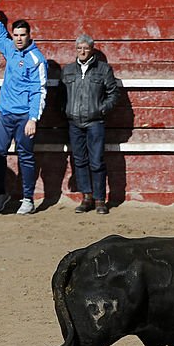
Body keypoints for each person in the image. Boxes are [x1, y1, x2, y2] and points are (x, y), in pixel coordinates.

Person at [0, 0, 47, 216]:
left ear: (29, 35)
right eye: (16, 35)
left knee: (25, 156)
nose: (19, 39)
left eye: (23, 35)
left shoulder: (36, 59)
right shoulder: (10, 49)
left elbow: (39, 90)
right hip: (5, 113)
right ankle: (1, 193)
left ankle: (28, 199)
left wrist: (33, 118)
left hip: (24, 115)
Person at [59, 34, 117, 215]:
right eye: (79, 48)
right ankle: (87, 197)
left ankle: (100, 199)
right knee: (79, 160)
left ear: (92, 50)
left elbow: (113, 94)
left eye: (86, 48)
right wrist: (66, 110)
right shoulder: (68, 70)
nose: (82, 52)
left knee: (97, 161)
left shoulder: (103, 70)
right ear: (75, 50)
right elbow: (61, 95)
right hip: (74, 122)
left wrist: (101, 109)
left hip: (95, 121)